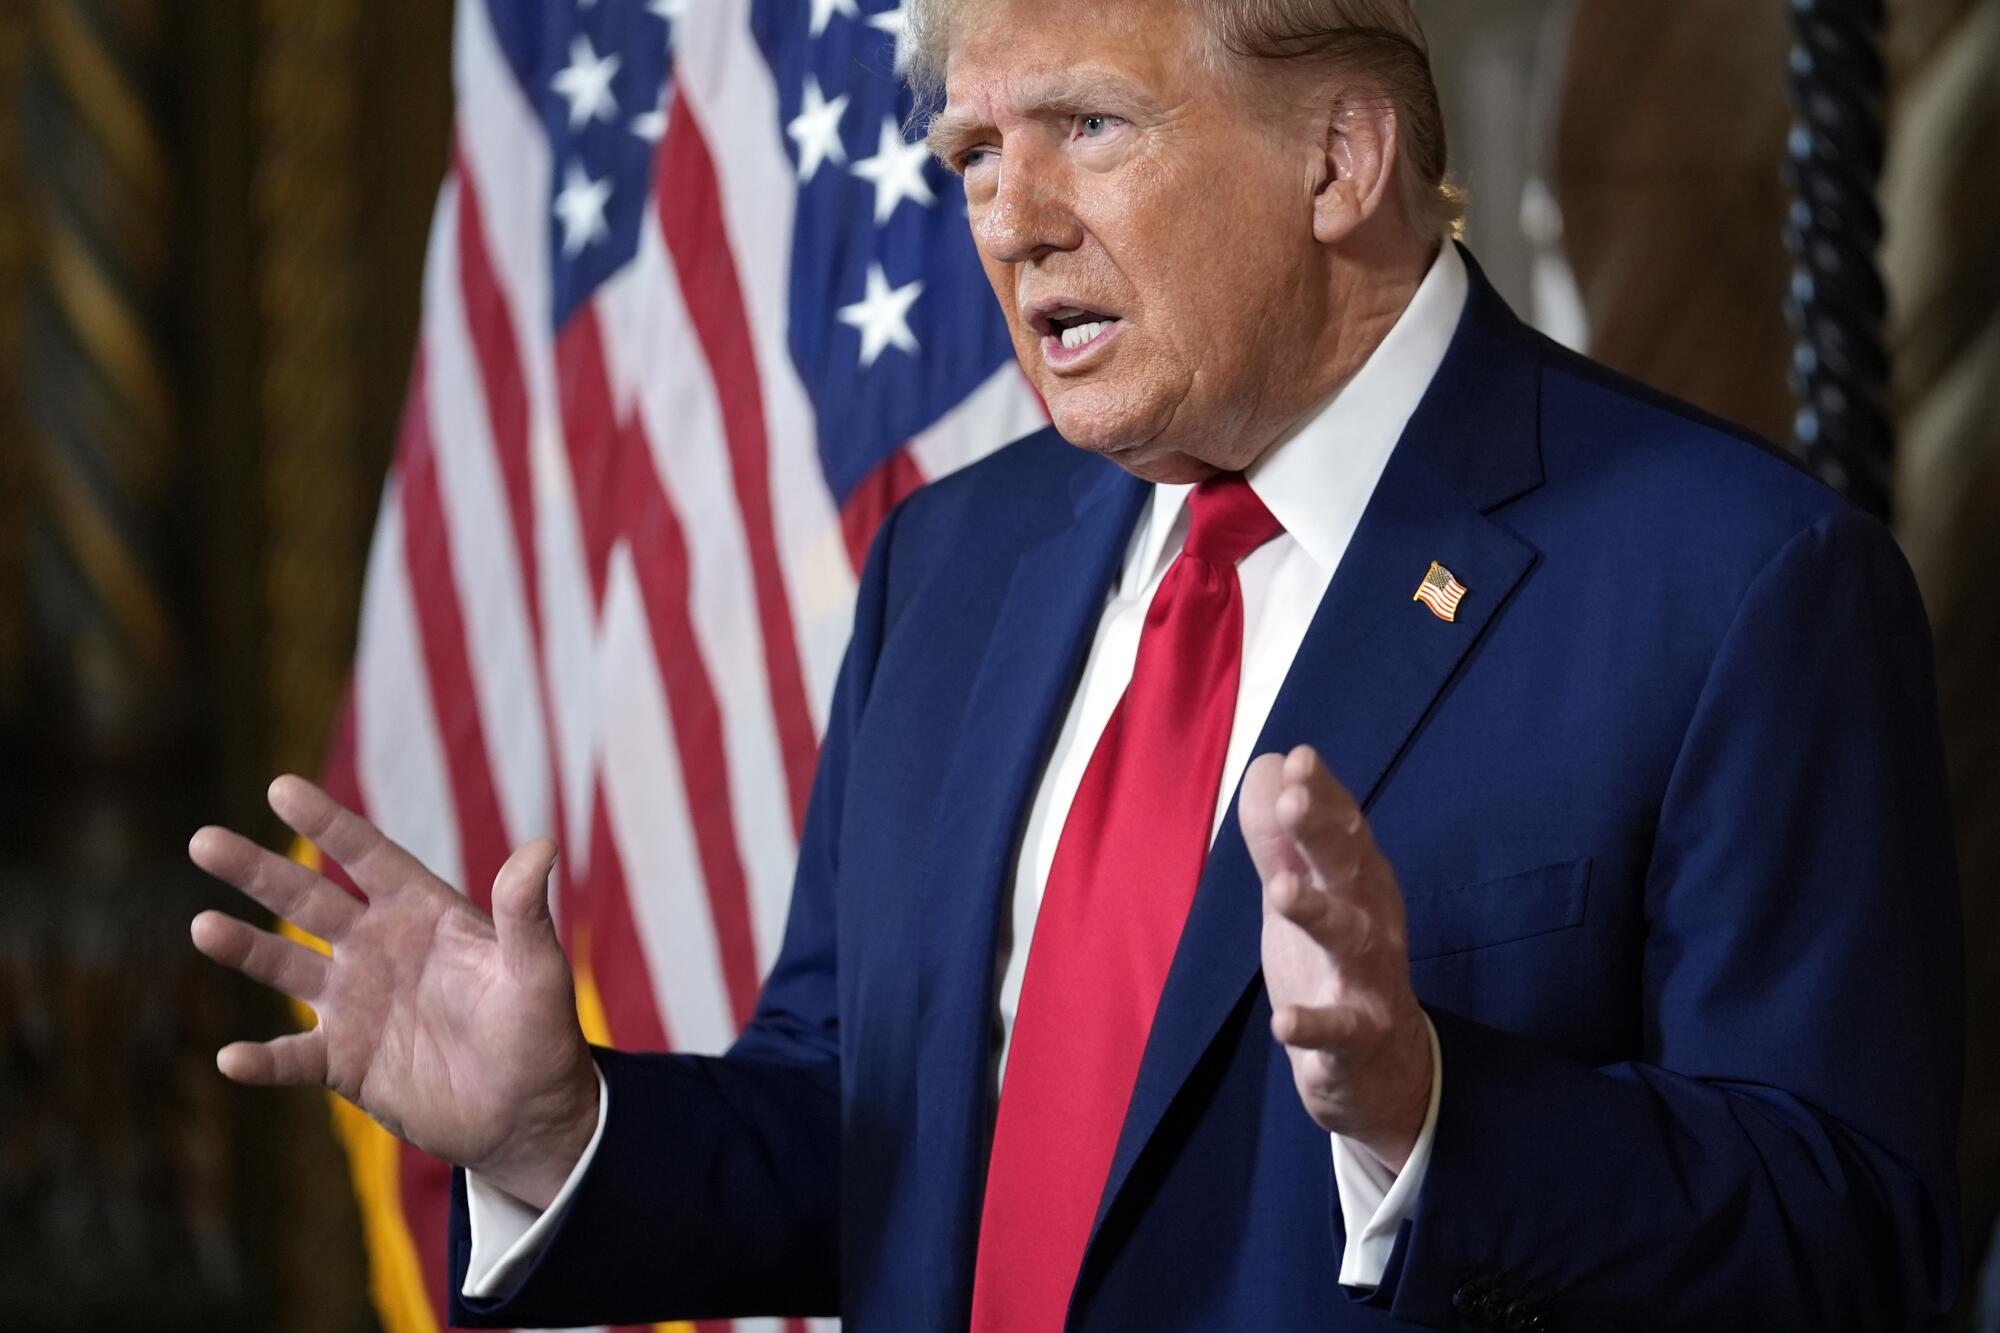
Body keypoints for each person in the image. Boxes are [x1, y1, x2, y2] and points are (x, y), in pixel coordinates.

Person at [187, 0, 1964, 1327]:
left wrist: (1436, 1116)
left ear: (1339, 156)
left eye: (1086, 129)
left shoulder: (1740, 583)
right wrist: (558, 1122)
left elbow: (1856, 1235)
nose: (1006, 218)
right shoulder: (951, 568)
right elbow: (864, 1133)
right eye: (970, 152)